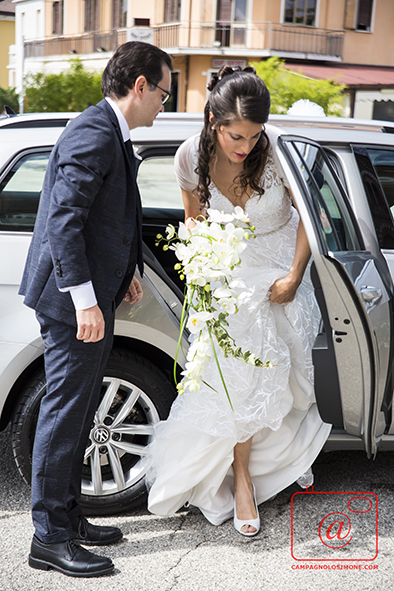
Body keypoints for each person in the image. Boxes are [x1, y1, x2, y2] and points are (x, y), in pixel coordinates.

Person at [147, 66, 332, 536]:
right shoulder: (189, 157)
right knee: (240, 380)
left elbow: (311, 220)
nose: (244, 147)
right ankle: (243, 478)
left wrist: (294, 275)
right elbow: (194, 225)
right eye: (234, 135)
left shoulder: (279, 157)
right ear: (213, 120)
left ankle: (260, 467)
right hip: (228, 277)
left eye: (253, 136)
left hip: (279, 269)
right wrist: (203, 275)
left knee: (280, 381)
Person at [19, 41, 172, 577]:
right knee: (63, 416)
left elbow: (110, 215)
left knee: (82, 411)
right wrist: (86, 299)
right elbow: (64, 222)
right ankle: (49, 538)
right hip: (70, 304)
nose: (163, 103)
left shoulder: (112, 132)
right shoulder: (92, 132)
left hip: (96, 293)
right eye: (163, 93)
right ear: (140, 86)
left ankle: (69, 516)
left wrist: (127, 270)